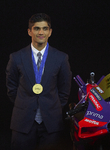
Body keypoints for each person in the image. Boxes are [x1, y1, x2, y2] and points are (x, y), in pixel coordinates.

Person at [6, 13, 72, 150]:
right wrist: (24, 104)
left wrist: (53, 107)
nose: (41, 32)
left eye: (45, 28)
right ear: (29, 31)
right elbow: (11, 88)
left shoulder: (61, 58)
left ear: (50, 32)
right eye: (36, 29)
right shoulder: (16, 57)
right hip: (22, 122)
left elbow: (64, 89)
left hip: (51, 122)